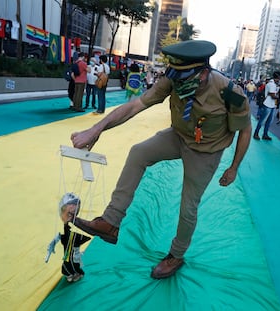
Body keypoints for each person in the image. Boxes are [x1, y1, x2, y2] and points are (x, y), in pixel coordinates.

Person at [69, 40, 251, 279]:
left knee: (188, 206)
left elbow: (245, 129)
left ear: (203, 72)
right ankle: (111, 222)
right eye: (175, 76)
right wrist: (97, 129)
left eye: (184, 77)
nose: (177, 82)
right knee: (139, 152)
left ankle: (176, 255)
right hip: (179, 136)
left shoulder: (229, 92)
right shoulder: (173, 80)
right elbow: (135, 105)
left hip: (206, 150)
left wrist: (234, 167)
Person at [46, 193, 91, 283]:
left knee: (74, 263)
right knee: (67, 264)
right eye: (67, 211)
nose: (69, 214)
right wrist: (54, 242)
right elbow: (62, 236)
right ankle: (70, 274)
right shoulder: (66, 228)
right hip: (68, 252)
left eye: (72, 212)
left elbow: (81, 236)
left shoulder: (75, 227)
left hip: (73, 253)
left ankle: (77, 273)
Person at [253, 71, 280, 140]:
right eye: (279, 78)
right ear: (277, 78)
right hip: (268, 104)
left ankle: (265, 134)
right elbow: (272, 95)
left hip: (271, 104)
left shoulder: (272, 84)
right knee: (263, 120)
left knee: (268, 121)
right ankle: (256, 133)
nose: (279, 80)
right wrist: (278, 97)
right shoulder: (272, 84)